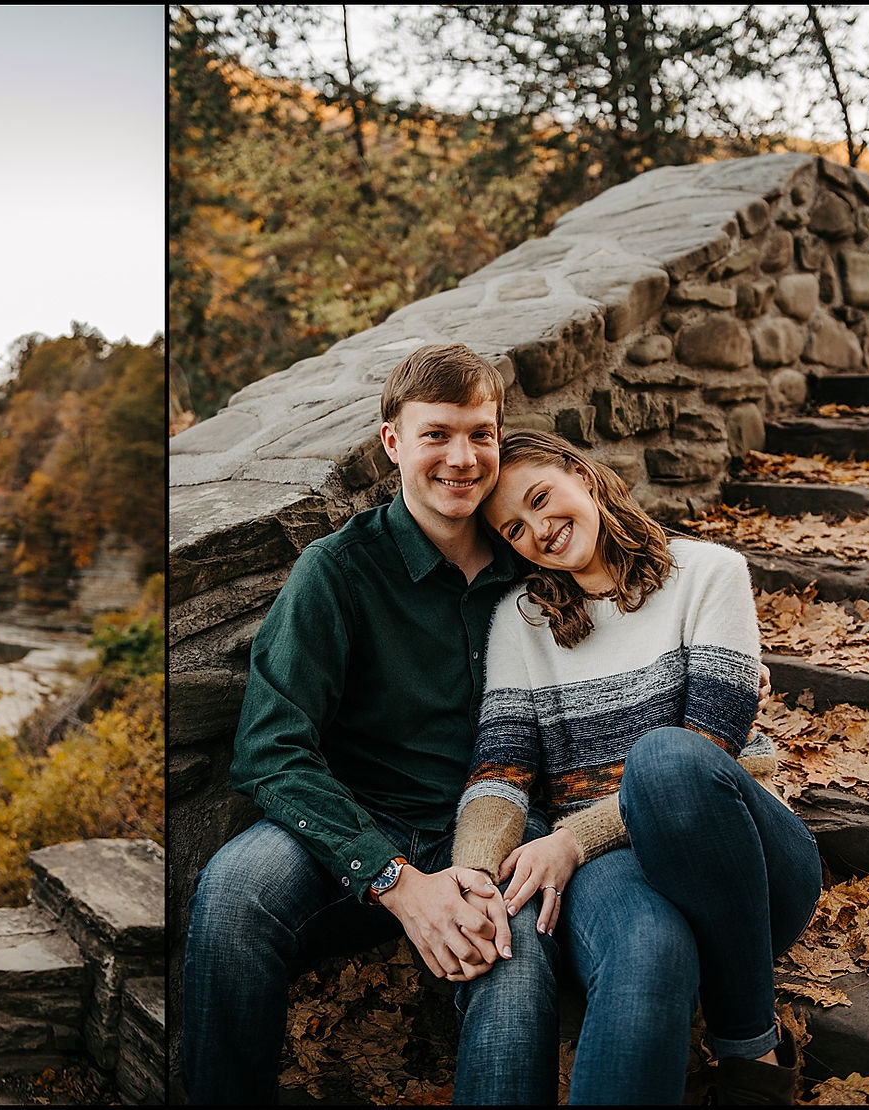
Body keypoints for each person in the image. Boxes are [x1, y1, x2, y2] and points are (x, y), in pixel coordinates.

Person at [181, 344, 565, 1105]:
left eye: (481, 434)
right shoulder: (336, 570)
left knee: (516, 970)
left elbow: (633, 578)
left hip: (501, 829)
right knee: (232, 895)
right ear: (392, 442)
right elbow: (269, 749)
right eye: (437, 435)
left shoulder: (536, 556)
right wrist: (395, 882)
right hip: (359, 821)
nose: (463, 458)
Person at [452, 429, 821, 1105]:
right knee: (647, 951)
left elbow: (708, 747)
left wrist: (571, 839)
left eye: (542, 498)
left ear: (581, 475)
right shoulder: (520, 622)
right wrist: (474, 874)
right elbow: (500, 770)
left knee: (666, 760)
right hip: (618, 878)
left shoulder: (711, 574)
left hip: (749, 867)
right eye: (515, 527)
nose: (540, 529)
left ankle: (749, 1045)